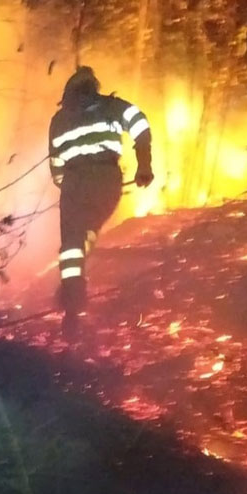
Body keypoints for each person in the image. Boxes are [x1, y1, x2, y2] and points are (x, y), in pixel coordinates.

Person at [48, 66, 154, 338]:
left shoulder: (59, 120)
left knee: (71, 243)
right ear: (93, 86)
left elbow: (56, 167)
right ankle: (75, 292)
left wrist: (69, 186)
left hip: (73, 185)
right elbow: (141, 124)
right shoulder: (111, 106)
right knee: (87, 232)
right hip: (106, 180)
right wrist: (144, 165)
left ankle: (72, 303)